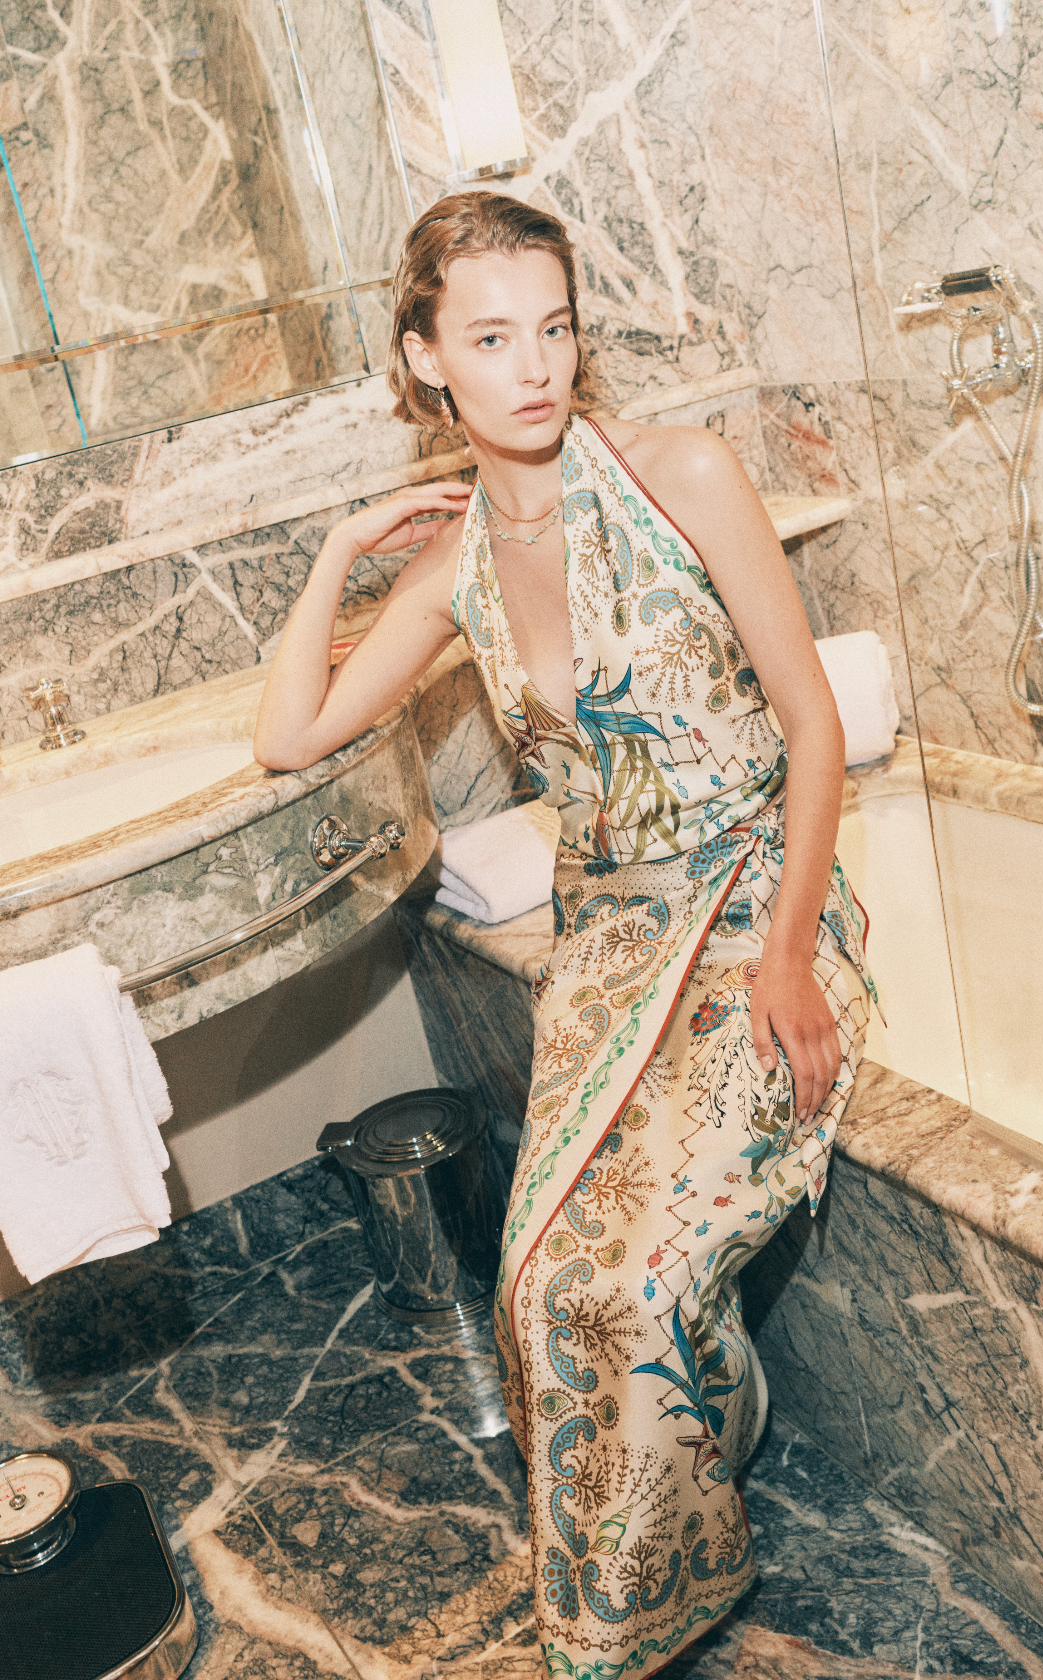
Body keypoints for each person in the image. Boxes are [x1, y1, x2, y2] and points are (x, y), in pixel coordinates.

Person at [255, 191, 876, 1680]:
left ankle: (644, 1604)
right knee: (546, 1284)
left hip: (752, 904)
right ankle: (703, 1446)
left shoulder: (683, 474)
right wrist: (338, 552)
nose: (534, 366)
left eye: (555, 327)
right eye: (489, 338)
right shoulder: (455, 567)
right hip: (608, 945)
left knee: (641, 1277)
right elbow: (290, 736)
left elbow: (813, 726)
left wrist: (791, 956)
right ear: (425, 361)